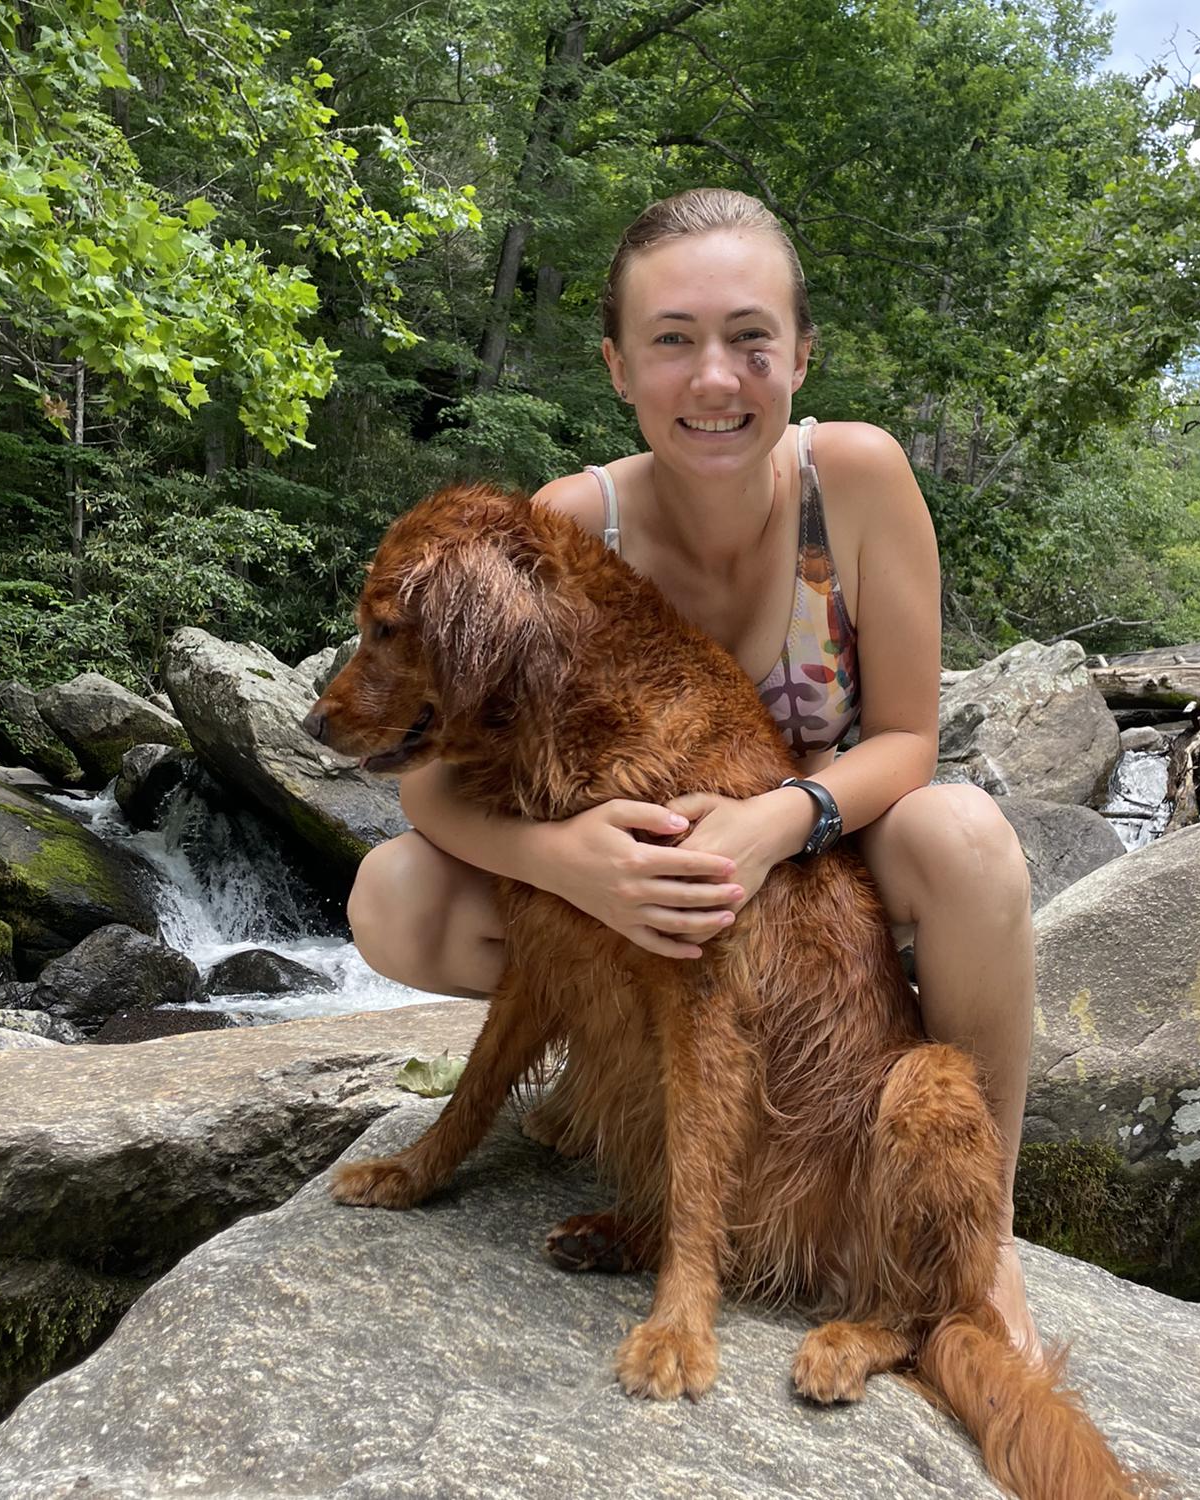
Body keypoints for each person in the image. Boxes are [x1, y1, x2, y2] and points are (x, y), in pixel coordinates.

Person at [348, 187, 1041, 1359]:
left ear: (802, 357)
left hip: (829, 874)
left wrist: (781, 817)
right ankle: (620, 1100)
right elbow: (435, 776)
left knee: (966, 834)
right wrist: (568, 861)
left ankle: (988, 1242)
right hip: (646, 890)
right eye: (673, 340)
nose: (714, 379)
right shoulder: (572, 523)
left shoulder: (857, 481)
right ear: (619, 366)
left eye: (749, 339)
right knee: (392, 895)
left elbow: (909, 743)